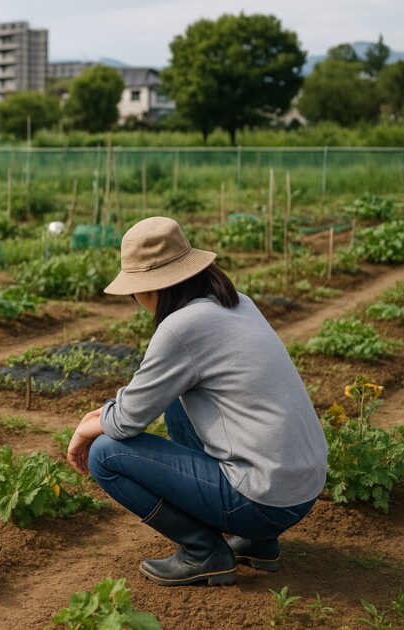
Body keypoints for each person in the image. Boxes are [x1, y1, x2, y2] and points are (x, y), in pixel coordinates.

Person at [66, 216, 327, 587]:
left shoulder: (181, 327)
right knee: (175, 399)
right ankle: (258, 543)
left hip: (262, 500)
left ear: (153, 288)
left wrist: (86, 426)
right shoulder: (238, 303)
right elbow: (144, 396)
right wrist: (107, 412)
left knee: (104, 453)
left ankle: (203, 551)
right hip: (299, 489)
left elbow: (125, 421)